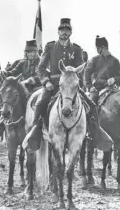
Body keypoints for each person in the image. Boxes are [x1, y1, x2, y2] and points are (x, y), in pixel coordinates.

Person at [26, 18, 112, 150]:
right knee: (40, 103)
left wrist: (80, 85)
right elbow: (41, 68)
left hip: (71, 86)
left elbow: (81, 69)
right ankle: (35, 133)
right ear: (58, 31)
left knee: (91, 105)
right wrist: (46, 81)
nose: (64, 32)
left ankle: (94, 134)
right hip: (53, 84)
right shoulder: (50, 47)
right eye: (62, 30)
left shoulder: (76, 49)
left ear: (71, 32)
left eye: (67, 30)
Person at [84, 35, 120, 104]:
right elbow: (87, 74)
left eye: (98, 48)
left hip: (112, 89)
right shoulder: (94, 60)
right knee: (92, 104)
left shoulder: (115, 61)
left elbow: (119, 77)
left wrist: (114, 79)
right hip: (97, 90)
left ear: (103, 47)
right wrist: (90, 87)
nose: (97, 50)